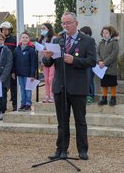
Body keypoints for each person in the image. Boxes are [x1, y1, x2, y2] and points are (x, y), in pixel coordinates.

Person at [43, 12, 96, 160]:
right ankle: (61, 150)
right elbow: (50, 63)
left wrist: (74, 61)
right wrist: (46, 58)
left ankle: (82, 150)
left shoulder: (88, 40)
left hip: (78, 87)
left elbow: (92, 61)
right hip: (60, 87)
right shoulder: (58, 41)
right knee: (62, 122)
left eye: (68, 23)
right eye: (63, 23)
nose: (65, 26)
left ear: (76, 23)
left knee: (80, 120)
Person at [12, 32, 36, 111]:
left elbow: (33, 63)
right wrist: (13, 72)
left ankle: (28, 104)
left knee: (28, 89)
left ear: (29, 39)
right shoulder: (17, 49)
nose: (24, 39)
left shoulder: (31, 50)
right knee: (22, 89)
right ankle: (23, 103)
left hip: (28, 74)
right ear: (20, 39)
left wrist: (32, 74)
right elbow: (14, 61)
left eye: (26, 37)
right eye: (23, 37)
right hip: (19, 73)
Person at [97, 25, 119, 107]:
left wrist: (105, 63)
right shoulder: (101, 43)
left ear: (111, 33)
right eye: (103, 33)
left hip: (111, 67)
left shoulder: (114, 42)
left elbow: (114, 54)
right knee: (104, 83)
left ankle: (113, 98)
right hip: (102, 68)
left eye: (106, 33)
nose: (104, 34)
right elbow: (97, 53)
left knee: (112, 83)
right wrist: (99, 61)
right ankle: (104, 98)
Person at [0, 21, 17, 111]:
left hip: (12, 68)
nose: (4, 31)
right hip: (2, 69)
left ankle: (15, 105)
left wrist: (14, 70)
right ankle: (2, 107)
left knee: (14, 88)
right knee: (3, 88)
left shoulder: (14, 40)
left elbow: (15, 55)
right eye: (3, 29)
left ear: (10, 30)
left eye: (6, 29)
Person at [38, 23, 56, 103]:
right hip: (44, 61)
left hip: (52, 61)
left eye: (44, 28)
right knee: (46, 79)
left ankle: (53, 95)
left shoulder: (54, 38)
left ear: (49, 29)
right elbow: (39, 52)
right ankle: (47, 95)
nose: (42, 30)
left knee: (51, 78)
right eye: (41, 28)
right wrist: (40, 62)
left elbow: (55, 50)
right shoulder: (40, 39)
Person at [80, 26, 95, 104]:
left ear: (87, 34)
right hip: (84, 64)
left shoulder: (91, 41)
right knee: (86, 80)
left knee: (90, 81)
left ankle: (91, 95)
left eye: (82, 34)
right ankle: (86, 95)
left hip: (90, 65)